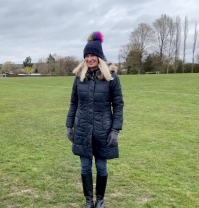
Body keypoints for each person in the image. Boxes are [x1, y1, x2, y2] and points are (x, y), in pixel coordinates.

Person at [66, 31, 124, 208]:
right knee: (85, 167)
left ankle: (100, 200)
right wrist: (69, 125)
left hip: (103, 130)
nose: (90, 59)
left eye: (93, 55)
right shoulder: (79, 78)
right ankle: (88, 201)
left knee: (101, 167)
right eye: (87, 56)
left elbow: (119, 105)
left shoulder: (111, 78)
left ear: (100, 56)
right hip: (83, 129)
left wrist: (115, 130)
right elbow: (73, 103)